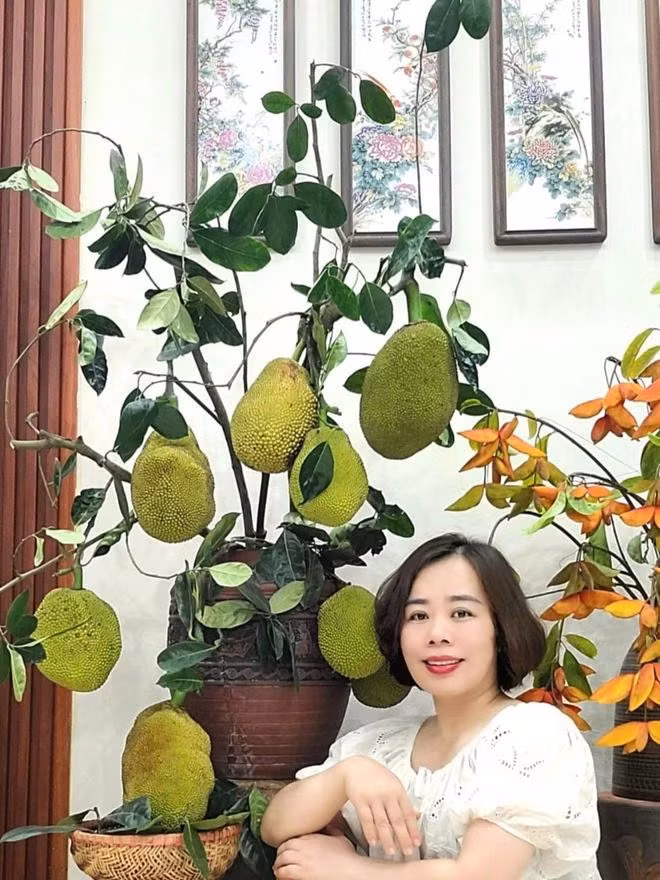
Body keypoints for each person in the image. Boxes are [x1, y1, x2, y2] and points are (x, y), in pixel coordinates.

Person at [260, 533, 603, 880]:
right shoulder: (380, 746)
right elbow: (275, 826)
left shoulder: (536, 735)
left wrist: (347, 869)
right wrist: (346, 776)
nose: (437, 633)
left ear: (501, 630)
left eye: (461, 613)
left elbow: (478, 876)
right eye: (418, 615)